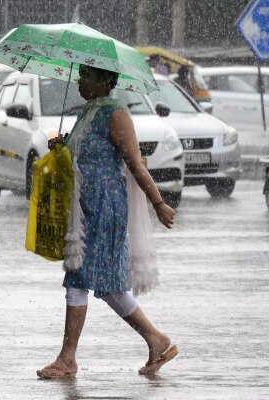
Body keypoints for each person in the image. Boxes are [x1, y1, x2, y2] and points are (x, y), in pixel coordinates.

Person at [36, 64, 177, 379]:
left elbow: (136, 165)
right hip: (84, 210)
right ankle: (156, 340)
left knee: (86, 278)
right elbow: (81, 156)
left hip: (105, 208)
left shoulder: (116, 115)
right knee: (95, 280)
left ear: (104, 81)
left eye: (85, 75)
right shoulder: (88, 112)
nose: (79, 80)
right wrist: (60, 147)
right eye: (80, 74)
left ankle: (68, 358)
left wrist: (158, 203)